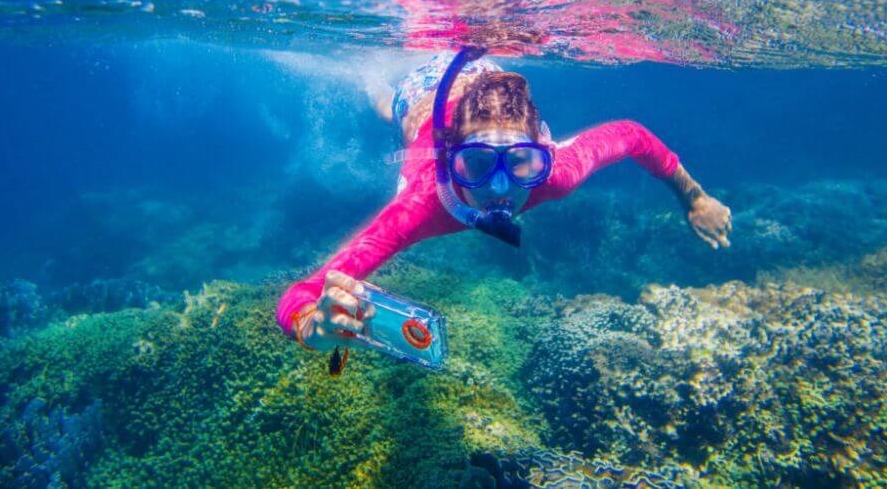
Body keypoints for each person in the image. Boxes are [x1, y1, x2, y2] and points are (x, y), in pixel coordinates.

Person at [278, 49, 732, 354]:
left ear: (544, 156)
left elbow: (632, 137)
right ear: (447, 161)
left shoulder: (557, 173)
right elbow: (299, 295)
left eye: (520, 164)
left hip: (480, 76)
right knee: (387, 107)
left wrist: (695, 198)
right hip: (419, 95)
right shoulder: (422, 203)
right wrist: (308, 326)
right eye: (475, 166)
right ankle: (374, 87)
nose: (499, 189)